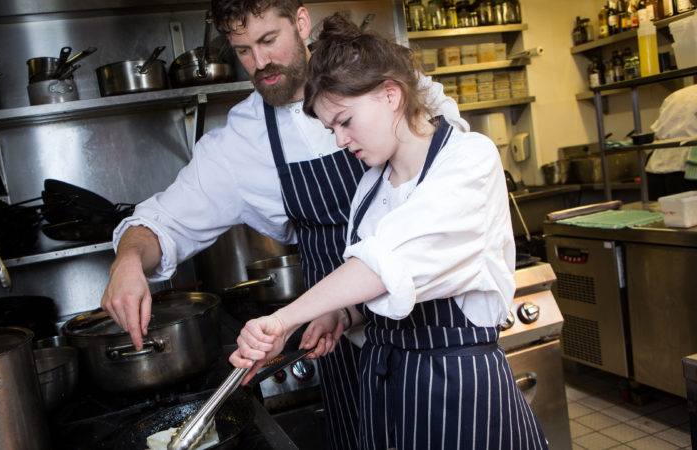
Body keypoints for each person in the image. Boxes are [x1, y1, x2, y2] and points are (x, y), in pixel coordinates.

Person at [101, 1, 467, 448]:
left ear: (300, 22)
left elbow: (448, 193)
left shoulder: (380, 86)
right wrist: (128, 259)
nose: (260, 63)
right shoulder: (243, 140)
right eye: (243, 51)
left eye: (268, 41)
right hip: (339, 337)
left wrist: (283, 321)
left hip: (434, 334)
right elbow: (164, 220)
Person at [230, 12, 548, 450]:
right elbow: (394, 294)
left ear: (390, 95)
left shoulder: (468, 159)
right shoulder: (372, 184)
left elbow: (387, 265)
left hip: (456, 389)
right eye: (330, 129)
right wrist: (342, 315)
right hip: (387, 388)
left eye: (344, 121)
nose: (339, 140)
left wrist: (283, 320)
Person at [644, 84, 697, 201]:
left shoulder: (676, 95)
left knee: (662, 214)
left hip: (658, 163)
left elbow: (657, 133)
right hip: (689, 167)